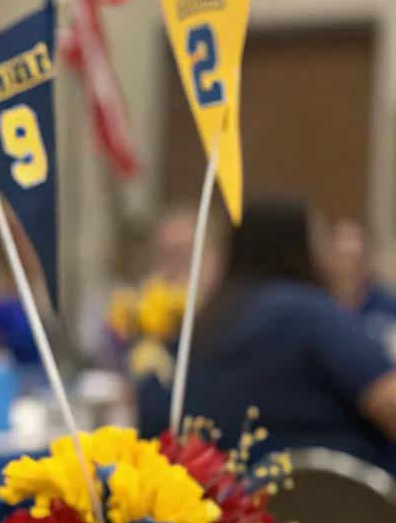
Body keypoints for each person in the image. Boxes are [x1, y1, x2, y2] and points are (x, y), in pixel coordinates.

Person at [138, 196, 396, 471]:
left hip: (228, 499)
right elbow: (387, 397)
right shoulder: (308, 313)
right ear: (299, 245)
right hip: (333, 501)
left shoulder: (209, 318)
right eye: (321, 238)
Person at [325, 218, 396, 356]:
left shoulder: (389, 306)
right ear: (327, 260)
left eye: (356, 258)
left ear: (368, 259)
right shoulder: (314, 305)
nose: (348, 268)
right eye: (342, 258)